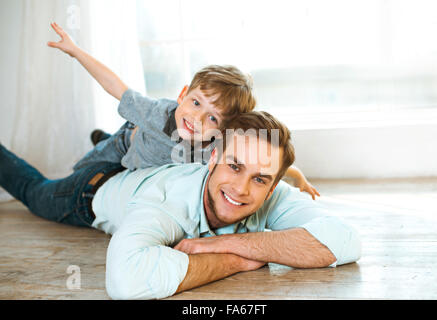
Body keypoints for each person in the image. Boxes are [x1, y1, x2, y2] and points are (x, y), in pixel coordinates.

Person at [0, 111, 361, 300]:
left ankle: (108, 139)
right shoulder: (166, 202)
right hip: (89, 191)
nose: (241, 188)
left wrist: (219, 245)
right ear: (214, 157)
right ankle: (105, 144)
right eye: (234, 166)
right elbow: (125, 282)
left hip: (146, 169)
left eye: (260, 178)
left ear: (273, 184)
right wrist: (239, 260)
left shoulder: (271, 192)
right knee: (33, 190)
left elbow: (345, 242)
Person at [47, 22, 320, 199]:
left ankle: (101, 135)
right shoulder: (156, 112)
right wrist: (75, 51)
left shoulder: (219, 148)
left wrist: (299, 178)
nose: (197, 119)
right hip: (128, 141)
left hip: (142, 164)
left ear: (223, 129)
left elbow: (265, 165)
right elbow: (115, 85)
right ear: (182, 95)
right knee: (79, 172)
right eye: (196, 103)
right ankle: (104, 138)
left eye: (212, 117)